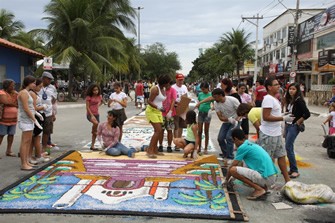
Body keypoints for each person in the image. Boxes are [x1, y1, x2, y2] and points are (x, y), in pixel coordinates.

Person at [224, 128, 278, 200]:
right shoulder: (250, 144)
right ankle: (263, 187)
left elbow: (232, 167)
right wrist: (232, 178)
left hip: (266, 178)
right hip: (272, 177)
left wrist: (226, 180)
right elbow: (240, 164)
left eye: (234, 141)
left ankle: (259, 189)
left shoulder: (242, 147)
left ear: (236, 139)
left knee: (232, 170)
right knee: (240, 168)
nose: (234, 144)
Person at [259, 77, 294, 183]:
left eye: (278, 84)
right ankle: (267, 182)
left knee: (281, 155)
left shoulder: (274, 99)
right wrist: (283, 118)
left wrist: (283, 115)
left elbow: (273, 114)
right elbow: (266, 117)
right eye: (275, 84)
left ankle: (287, 180)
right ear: (269, 87)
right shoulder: (268, 99)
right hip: (268, 134)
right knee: (268, 159)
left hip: (276, 133)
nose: (278, 86)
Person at [283, 82, 310, 179]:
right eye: (290, 89)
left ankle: (295, 170)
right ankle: (292, 169)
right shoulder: (290, 100)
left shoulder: (299, 101)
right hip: (288, 125)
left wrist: (298, 122)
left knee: (288, 147)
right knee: (288, 147)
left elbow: (307, 114)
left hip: (294, 126)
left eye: (293, 89)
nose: (291, 91)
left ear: (297, 90)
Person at [18, 75, 43, 171]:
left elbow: (31, 108)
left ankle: (26, 161)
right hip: (26, 120)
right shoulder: (23, 93)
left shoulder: (27, 93)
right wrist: (34, 119)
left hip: (29, 120)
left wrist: (36, 115)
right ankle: (23, 164)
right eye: (33, 83)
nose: (34, 85)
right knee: (25, 142)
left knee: (28, 141)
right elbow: (26, 108)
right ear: (28, 83)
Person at [145, 74, 171, 158]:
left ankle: (155, 150)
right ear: (164, 83)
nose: (169, 85)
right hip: (152, 111)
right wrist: (158, 107)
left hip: (158, 111)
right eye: (168, 83)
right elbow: (149, 101)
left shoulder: (163, 89)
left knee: (159, 131)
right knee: (158, 130)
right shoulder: (155, 89)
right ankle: (150, 150)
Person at [212, 88, 240, 163]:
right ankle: (225, 154)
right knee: (220, 138)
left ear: (221, 95)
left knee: (229, 137)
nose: (214, 99)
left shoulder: (232, 100)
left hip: (236, 120)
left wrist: (236, 120)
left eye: (215, 97)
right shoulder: (216, 103)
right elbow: (220, 117)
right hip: (226, 121)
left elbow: (241, 111)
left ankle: (230, 156)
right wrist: (228, 119)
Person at [29, 78, 50, 164]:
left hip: (39, 115)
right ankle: (38, 156)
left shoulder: (34, 93)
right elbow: (34, 108)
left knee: (35, 138)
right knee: (37, 138)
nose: (40, 88)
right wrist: (43, 107)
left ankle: (33, 155)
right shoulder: (32, 94)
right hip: (36, 116)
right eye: (39, 86)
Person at [39, 72, 57, 155]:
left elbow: (53, 100)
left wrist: (53, 112)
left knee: (47, 131)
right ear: (43, 78)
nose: (50, 81)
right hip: (38, 111)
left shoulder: (52, 88)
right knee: (36, 131)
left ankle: (44, 147)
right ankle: (35, 148)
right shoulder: (38, 85)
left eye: (51, 79)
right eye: (48, 79)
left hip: (48, 112)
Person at [0, 79, 18, 158]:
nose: (13, 87)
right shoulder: (2, 92)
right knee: (1, 134)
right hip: (3, 119)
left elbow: (18, 102)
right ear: (7, 86)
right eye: (11, 86)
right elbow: (6, 102)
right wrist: (15, 104)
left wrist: (14, 103)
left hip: (13, 119)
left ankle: (9, 150)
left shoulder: (15, 93)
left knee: (11, 134)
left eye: (13, 85)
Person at [172, 73, 189, 151]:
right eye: (179, 80)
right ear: (176, 80)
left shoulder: (185, 87)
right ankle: (176, 142)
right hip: (175, 107)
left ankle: (179, 141)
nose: (181, 81)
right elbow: (170, 99)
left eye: (182, 80)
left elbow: (186, 96)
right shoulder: (173, 88)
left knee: (181, 125)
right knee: (176, 125)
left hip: (183, 107)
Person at [158, 80, 176, 153]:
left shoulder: (173, 90)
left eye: (168, 85)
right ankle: (160, 145)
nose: (167, 86)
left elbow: (173, 101)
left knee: (169, 130)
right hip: (161, 113)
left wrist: (170, 111)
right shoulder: (161, 90)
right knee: (161, 130)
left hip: (170, 113)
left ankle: (169, 146)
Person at [85, 83, 103, 151]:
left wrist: (98, 106)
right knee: (95, 124)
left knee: (96, 128)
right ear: (91, 90)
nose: (96, 91)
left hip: (97, 114)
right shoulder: (89, 97)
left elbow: (101, 102)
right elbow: (87, 107)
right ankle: (93, 131)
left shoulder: (99, 96)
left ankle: (92, 145)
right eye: (94, 90)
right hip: (90, 114)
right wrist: (92, 115)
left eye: (97, 90)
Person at [197, 82, 212, 154]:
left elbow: (214, 104)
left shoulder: (211, 94)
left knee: (206, 131)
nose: (203, 91)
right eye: (201, 89)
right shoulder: (200, 94)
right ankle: (199, 147)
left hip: (207, 113)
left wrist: (211, 109)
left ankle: (205, 148)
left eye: (204, 89)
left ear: (207, 88)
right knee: (199, 131)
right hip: (200, 113)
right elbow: (199, 102)